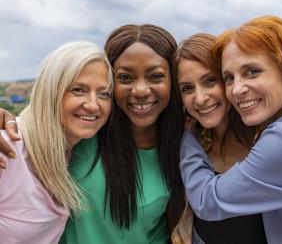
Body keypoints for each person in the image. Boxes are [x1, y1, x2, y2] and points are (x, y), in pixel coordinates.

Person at [0, 25, 184, 244]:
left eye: (155, 76)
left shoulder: (184, 147)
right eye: (125, 77)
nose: (141, 90)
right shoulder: (75, 138)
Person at [180, 16, 282, 244]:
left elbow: (208, 201)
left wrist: (186, 135)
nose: (237, 89)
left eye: (252, 71)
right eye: (229, 78)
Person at [0, 41, 113, 243]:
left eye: (104, 94)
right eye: (78, 90)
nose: (93, 105)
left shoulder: (70, 154)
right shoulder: (8, 147)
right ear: (50, 91)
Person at [172, 33, 266, 244]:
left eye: (210, 81)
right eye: (187, 88)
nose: (200, 98)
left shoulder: (267, 141)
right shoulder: (187, 144)